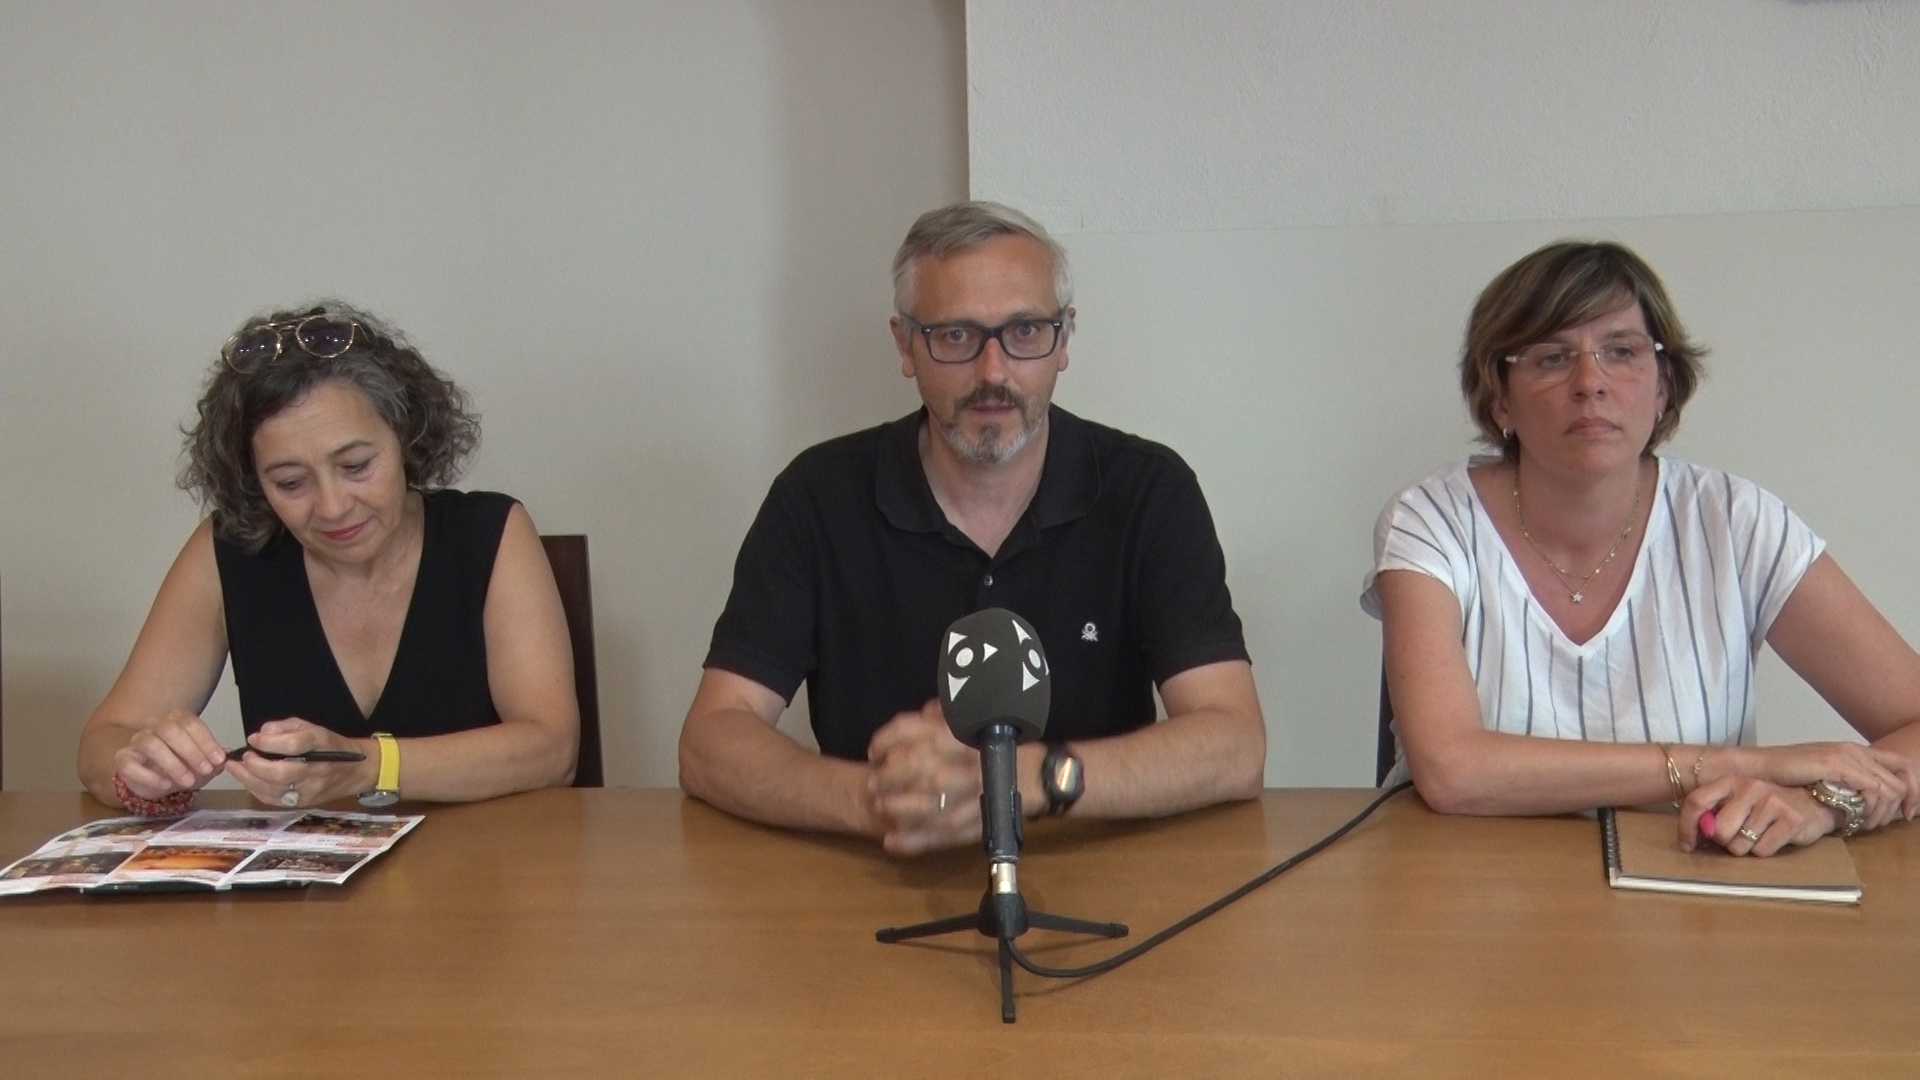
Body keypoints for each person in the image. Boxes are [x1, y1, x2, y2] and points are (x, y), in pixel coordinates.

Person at [680, 201, 1265, 855]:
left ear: (1065, 341)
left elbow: (1235, 744)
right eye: (956, 336)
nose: (993, 372)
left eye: (1025, 331)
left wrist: (1025, 783)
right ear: (906, 345)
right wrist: (886, 802)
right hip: (875, 875)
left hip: (1099, 870)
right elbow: (712, 738)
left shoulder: (1149, 491)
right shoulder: (816, 497)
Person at [1363, 240, 1920, 856]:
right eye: (1552, 358)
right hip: (1459, 883)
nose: (1589, 383)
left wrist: (1822, 802)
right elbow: (1452, 770)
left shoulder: (1737, 522)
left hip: (1692, 878)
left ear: (1663, 388)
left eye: (1622, 351)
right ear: (1500, 398)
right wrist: (1746, 764)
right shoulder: (1430, 519)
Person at [79, 302, 579, 813]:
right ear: (252, 480)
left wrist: (368, 766)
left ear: (405, 437)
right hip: (302, 865)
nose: (333, 507)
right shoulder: (229, 550)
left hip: (490, 856)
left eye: (356, 466)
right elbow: (103, 740)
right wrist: (138, 767)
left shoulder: (489, 532)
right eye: (290, 482)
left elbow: (552, 749)